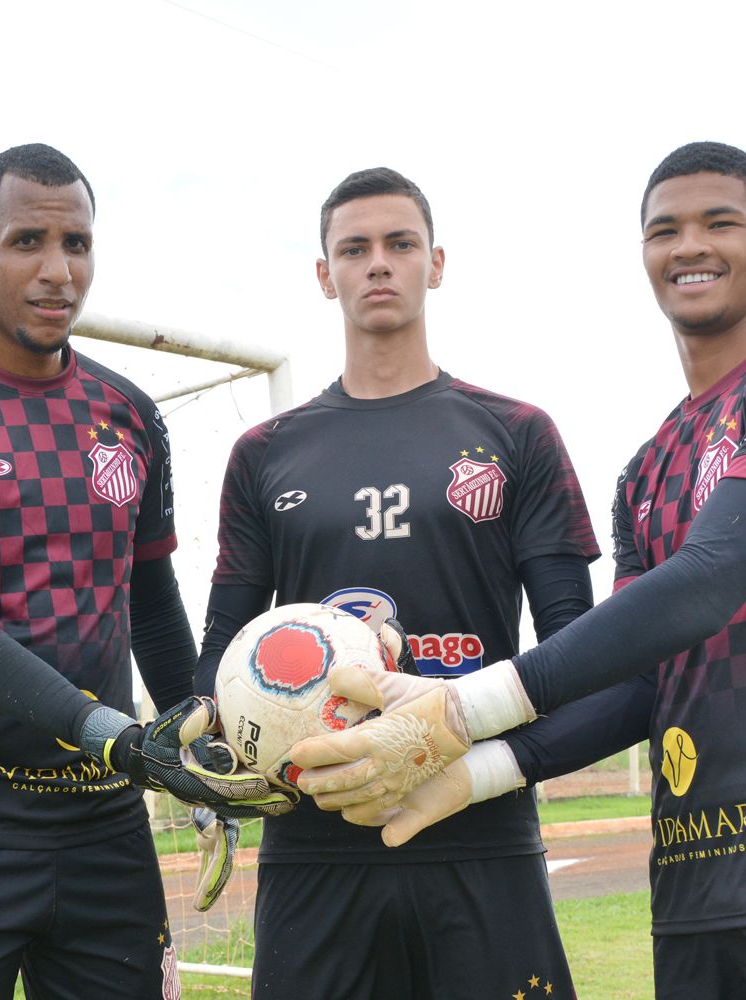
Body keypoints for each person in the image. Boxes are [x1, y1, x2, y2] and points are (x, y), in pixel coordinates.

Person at [294, 142, 746, 999]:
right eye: (664, 230)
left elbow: (711, 579)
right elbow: (639, 686)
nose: (690, 247)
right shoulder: (646, 469)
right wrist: (474, 773)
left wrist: (463, 707)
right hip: (694, 885)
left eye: (720, 223)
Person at [0, 143, 288, 1000]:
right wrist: (123, 740)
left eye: (76, 244)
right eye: (27, 243)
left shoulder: (129, 414)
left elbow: (154, 613)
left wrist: (207, 750)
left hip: (104, 830)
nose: (57, 272)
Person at [194, 166, 600, 999]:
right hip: (314, 846)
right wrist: (214, 759)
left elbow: (577, 653)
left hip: (479, 834)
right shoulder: (266, 452)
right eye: (355, 248)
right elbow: (221, 651)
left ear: (436, 264)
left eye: (400, 244)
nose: (378, 263)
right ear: (325, 274)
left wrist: (495, 753)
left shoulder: (518, 435)